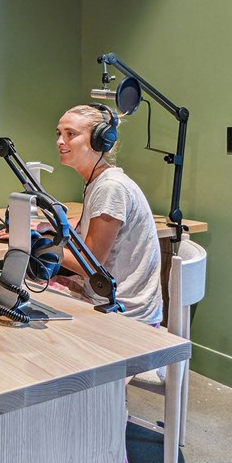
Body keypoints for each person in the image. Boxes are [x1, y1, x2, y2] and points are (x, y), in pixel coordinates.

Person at [40, 103, 163, 326]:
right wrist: (51, 229)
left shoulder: (111, 188)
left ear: (99, 140)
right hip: (109, 298)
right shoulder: (98, 182)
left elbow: (90, 264)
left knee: (32, 297)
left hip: (126, 314)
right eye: (59, 133)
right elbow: (90, 229)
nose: (60, 141)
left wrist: (40, 244)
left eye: (71, 134)